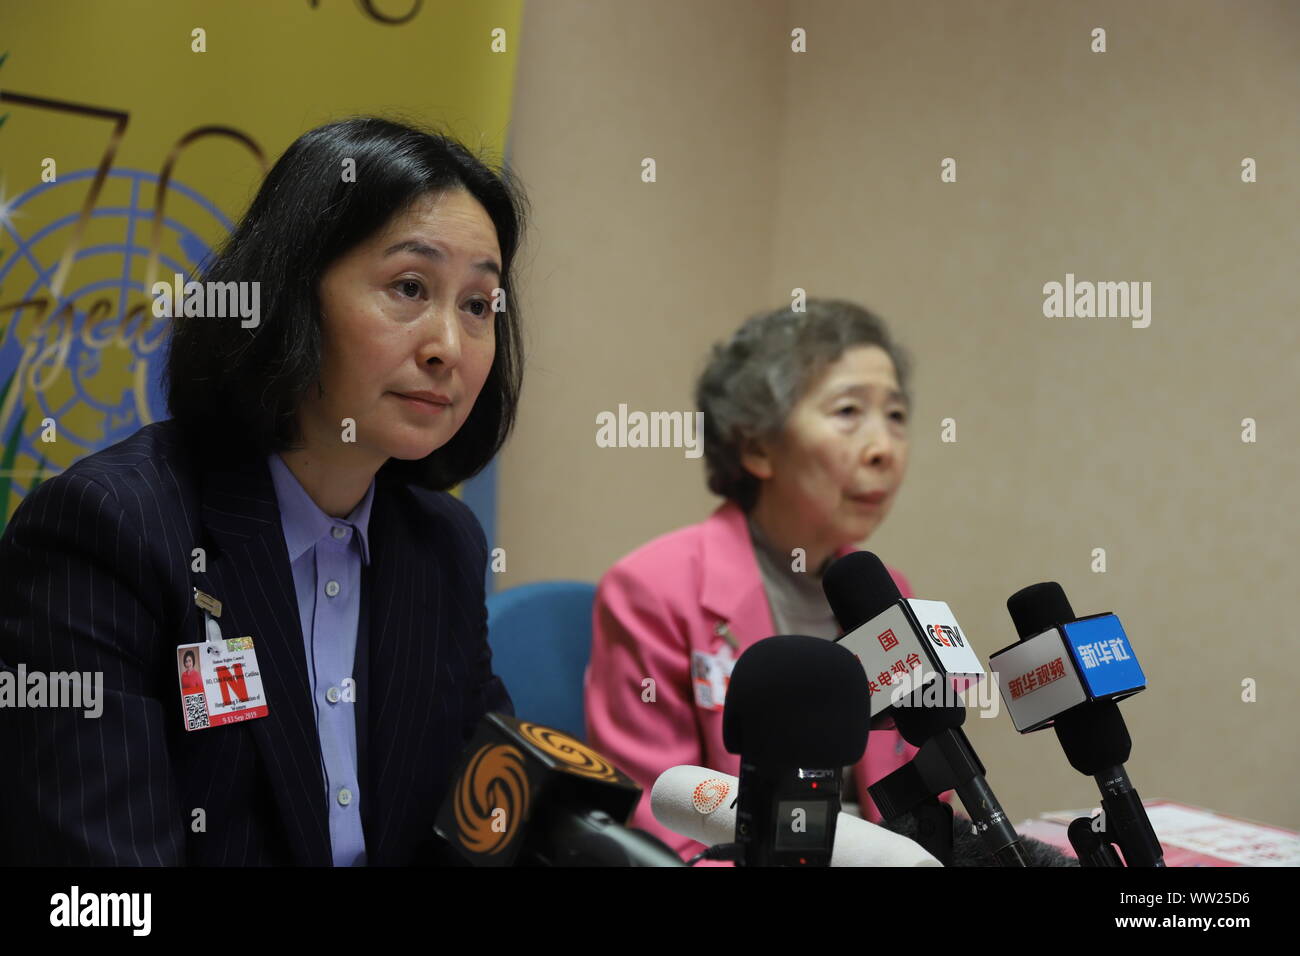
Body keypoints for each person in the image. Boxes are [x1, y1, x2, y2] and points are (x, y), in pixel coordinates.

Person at [0, 116, 526, 865]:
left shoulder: (441, 544)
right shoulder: (110, 530)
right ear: (288, 297)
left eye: (478, 304)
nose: (448, 344)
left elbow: (483, 826)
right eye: (410, 287)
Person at [585, 299, 928, 864]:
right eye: (847, 411)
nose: (884, 450)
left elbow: (925, 798)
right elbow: (657, 831)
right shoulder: (651, 590)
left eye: (895, 415)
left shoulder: (889, 593)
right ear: (756, 446)